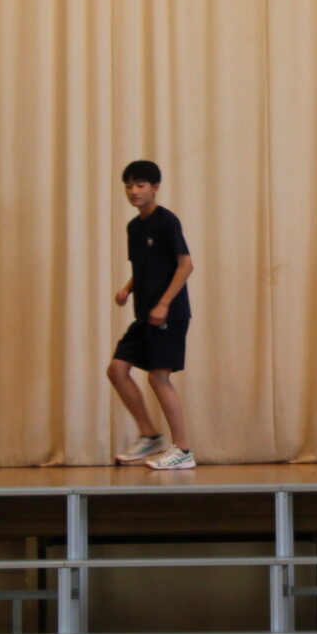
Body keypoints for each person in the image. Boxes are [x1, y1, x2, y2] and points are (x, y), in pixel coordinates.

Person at [108, 160, 197, 470]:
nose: (134, 191)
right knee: (117, 370)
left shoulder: (166, 221)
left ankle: (183, 450)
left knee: (159, 376)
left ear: (155, 187)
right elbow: (144, 266)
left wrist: (164, 304)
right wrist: (127, 289)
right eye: (129, 186)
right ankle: (149, 435)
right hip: (144, 315)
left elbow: (185, 265)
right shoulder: (135, 227)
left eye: (140, 185)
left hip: (169, 314)